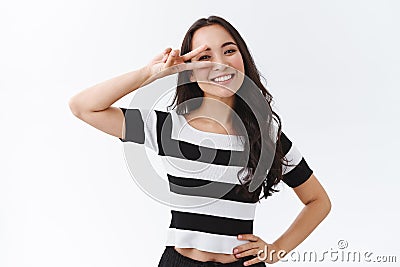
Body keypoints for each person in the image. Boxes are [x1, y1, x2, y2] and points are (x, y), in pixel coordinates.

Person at [69, 15, 331, 267]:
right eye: (204, 57)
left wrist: (276, 250)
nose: (220, 63)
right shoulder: (166, 128)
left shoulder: (267, 135)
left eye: (229, 51)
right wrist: (150, 73)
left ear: (243, 58)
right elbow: (84, 107)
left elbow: (318, 201)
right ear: (190, 72)